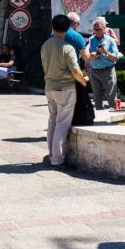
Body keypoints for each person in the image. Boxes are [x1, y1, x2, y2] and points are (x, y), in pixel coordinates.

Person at [41, 14, 89, 168]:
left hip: (49, 87)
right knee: (62, 123)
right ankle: (57, 158)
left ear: (53, 27)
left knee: (52, 121)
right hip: (65, 88)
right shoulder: (68, 48)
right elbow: (75, 71)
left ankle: (51, 154)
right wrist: (83, 81)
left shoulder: (45, 45)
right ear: (68, 28)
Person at [87, 17, 122, 110]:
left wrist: (105, 52)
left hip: (107, 71)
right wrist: (91, 55)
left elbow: (115, 58)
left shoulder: (110, 40)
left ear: (104, 29)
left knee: (111, 98)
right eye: (95, 29)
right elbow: (86, 53)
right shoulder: (91, 39)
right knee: (97, 98)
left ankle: (114, 119)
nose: (96, 31)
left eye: (99, 29)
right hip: (94, 71)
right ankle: (99, 120)